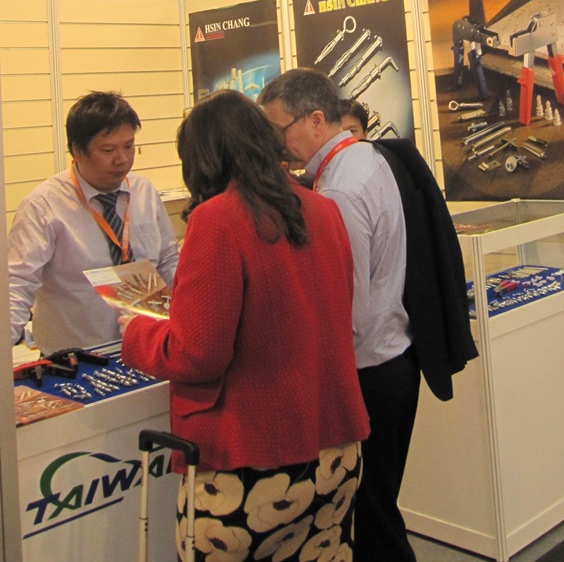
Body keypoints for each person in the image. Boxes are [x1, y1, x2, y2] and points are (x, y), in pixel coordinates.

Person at [120, 89, 369, 562]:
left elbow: (197, 354)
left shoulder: (217, 219)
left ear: (203, 158)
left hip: (251, 465)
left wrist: (135, 332)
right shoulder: (322, 208)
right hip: (335, 449)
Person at [258, 67, 419, 562]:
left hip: (368, 373)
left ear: (315, 120)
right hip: (391, 361)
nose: (275, 143)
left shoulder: (338, 192)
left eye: (279, 129)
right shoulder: (363, 159)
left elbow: (346, 307)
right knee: (376, 512)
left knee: (372, 522)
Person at [8, 90, 179, 354]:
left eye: (129, 146)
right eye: (108, 150)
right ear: (78, 150)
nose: (122, 159)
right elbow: (16, 285)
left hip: (149, 345)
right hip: (77, 357)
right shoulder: (43, 207)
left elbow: (167, 259)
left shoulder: (144, 191)